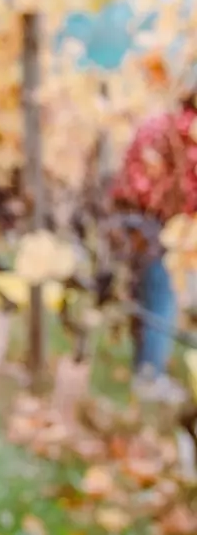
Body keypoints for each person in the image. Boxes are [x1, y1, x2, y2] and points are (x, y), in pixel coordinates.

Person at [108, 87, 197, 403]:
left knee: (143, 296)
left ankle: (144, 367)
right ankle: (149, 376)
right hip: (163, 227)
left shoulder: (160, 122)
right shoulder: (190, 134)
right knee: (162, 300)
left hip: (130, 219)